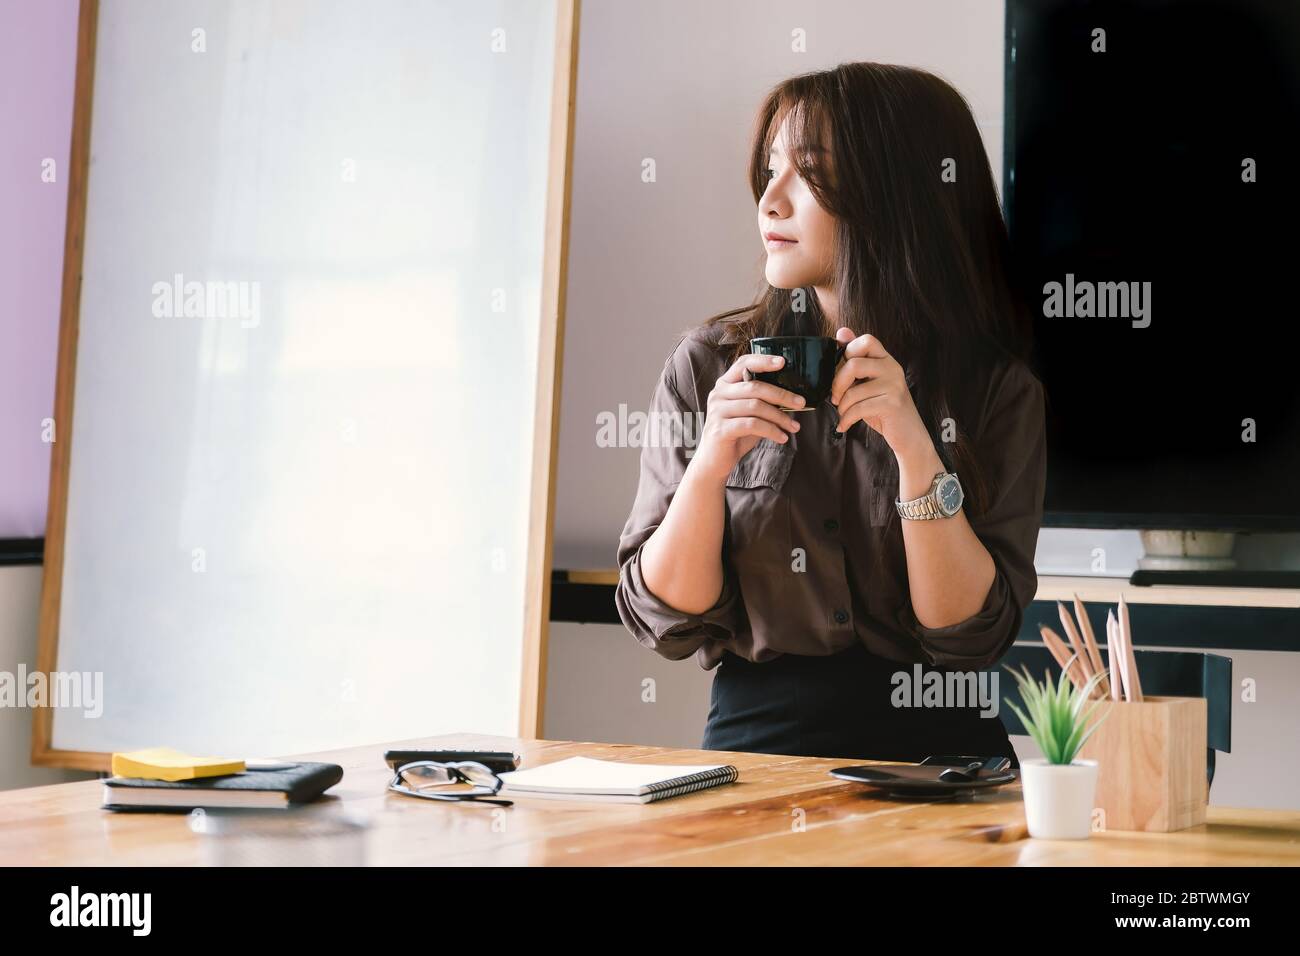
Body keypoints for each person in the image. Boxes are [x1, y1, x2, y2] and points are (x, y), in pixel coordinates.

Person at [614, 63, 1047, 766]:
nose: (769, 201)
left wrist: (913, 447)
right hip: (758, 757)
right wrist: (708, 468)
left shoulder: (994, 388)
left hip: (942, 762)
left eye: (807, 172)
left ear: (894, 194)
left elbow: (968, 632)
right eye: (769, 168)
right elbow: (667, 618)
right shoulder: (706, 366)